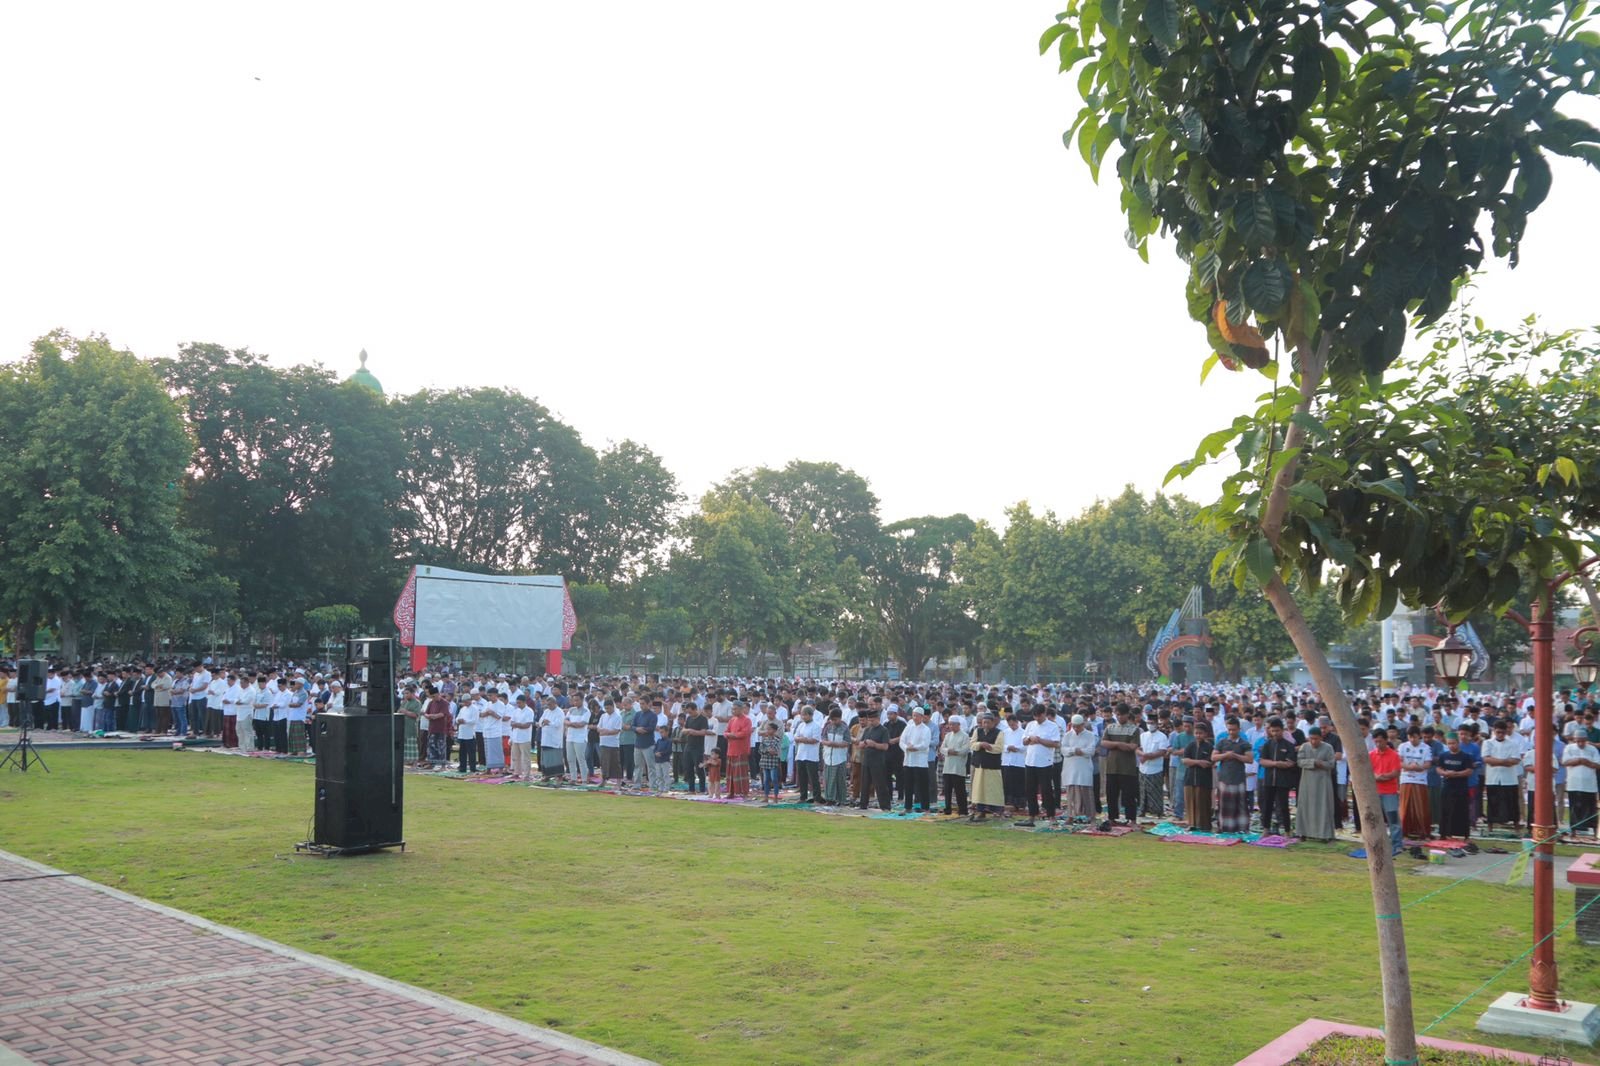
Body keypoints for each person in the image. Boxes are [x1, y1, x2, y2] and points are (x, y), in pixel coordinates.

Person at [1256, 718, 1298, 835]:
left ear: (1282, 730)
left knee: (1284, 806)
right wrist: (1276, 763)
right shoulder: (1267, 745)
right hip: (1269, 779)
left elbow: (1290, 763)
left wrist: (1275, 764)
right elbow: (1262, 761)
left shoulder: (1289, 745)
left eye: (1277, 731)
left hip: (1283, 780)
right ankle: (1266, 829)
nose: (1275, 733)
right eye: (1273, 731)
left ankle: (1287, 830)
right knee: (1267, 805)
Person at [1294, 726, 1337, 842]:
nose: (1313, 741)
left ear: (1321, 738)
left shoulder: (1328, 748)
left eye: (1316, 739)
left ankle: (1324, 834)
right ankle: (1303, 832)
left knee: (1323, 807)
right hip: (1307, 783)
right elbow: (1299, 761)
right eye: (1311, 739)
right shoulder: (1304, 747)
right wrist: (1313, 762)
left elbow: (1331, 764)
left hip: (1323, 783)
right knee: (1305, 806)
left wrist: (1321, 764)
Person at [1212, 717, 1253, 833]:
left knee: (1240, 804)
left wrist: (1235, 756)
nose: (1231, 732)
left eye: (1234, 730)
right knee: (1224, 804)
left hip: (1238, 777)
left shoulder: (1244, 744)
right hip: (1224, 777)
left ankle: (1241, 827)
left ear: (1239, 729)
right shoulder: (1222, 742)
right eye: (1229, 730)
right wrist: (1225, 756)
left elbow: (1249, 759)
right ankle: (1224, 827)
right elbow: (1213, 757)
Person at [1101, 706, 1141, 825]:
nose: (1119, 717)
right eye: (1117, 715)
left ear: (1127, 715)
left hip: (1127, 768)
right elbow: (1103, 743)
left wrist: (1114, 745)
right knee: (1111, 794)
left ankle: (1132, 819)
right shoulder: (1110, 727)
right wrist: (1120, 744)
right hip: (1112, 767)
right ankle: (1112, 818)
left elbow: (1132, 747)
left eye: (1121, 715)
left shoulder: (1134, 729)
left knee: (1129, 795)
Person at [1481, 722, 1522, 831]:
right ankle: (1490, 825)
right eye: (1498, 732)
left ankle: (1516, 824)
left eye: (1502, 733)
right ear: (1494, 731)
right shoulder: (1487, 743)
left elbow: (1516, 760)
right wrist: (1504, 761)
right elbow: (1486, 759)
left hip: (1509, 778)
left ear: (1506, 732)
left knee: (1512, 802)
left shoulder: (1513, 744)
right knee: (1492, 802)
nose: (1500, 735)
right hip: (1492, 778)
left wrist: (1496, 762)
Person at [1369, 731, 1404, 855]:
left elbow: (1395, 773)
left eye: (1380, 741)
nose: (1378, 744)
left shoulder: (1394, 755)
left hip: (1390, 792)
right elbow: (1368, 772)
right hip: (1375, 792)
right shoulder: (1371, 755)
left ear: (1385, 740)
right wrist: (1379, 777)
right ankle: (1377, 843)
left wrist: (1380, 777)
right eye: (1376, 741)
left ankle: (1397, 845)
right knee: (1375, 819)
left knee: (1393, 819)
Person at [1397, 726, 1434, 840]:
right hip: (1406, 779)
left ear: (1419, 736)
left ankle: (1423, 831)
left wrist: (1419, 767)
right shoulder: (1403, 746)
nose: (1412, 739)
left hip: (1420, 779)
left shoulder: (1426, 748)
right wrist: (1408, 767)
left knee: (1421, 806)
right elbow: (1398, 762)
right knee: (1405, 806)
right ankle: (1405, 831)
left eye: (1415, 737)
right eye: (1410, 737)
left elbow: (1428, 764)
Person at [1436, 732, 1474, 839]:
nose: (1451, 746)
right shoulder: (1443, 756)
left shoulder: (1466, 756)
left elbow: (1469, 771)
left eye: (1453, 743)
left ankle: (1464, 834)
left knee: (1462, 811)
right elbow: (1438, 768)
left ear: (1458, 743)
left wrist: (1456, 774)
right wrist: (1445, 773)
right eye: (1449, 744)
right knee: (1445, 810)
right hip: (1447, 787)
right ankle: (1444, 833)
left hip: (1461, 788)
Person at [1060, 714, 1097, 821]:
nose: (1076, 729)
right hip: (1070, 768)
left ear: (1083, 725)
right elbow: (1063, 750)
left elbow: (1091, 751)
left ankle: (1090, 816)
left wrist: (1080, 751)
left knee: (1085, 791)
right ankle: (1071, 815)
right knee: (1071, 791)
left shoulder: (1090, 735)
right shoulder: (1067, 735)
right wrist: (1074, 750)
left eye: (1078, 726)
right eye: (1074, 726)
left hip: (1084, 768)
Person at [1563, 733, 1599, 840]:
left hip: (1589, 785)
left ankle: (1594, 832)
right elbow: (1565, 762)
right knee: (1575, 808)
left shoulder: (1592, 749)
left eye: (1582, 741)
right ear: (1574, 740)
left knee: (1591, 808)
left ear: (1586, 740)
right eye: (1578, 741)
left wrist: (1585, 762)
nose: (1580, 743)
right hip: (1574, 784)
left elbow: (1597, 764)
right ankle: (1573, 831)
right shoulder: (1569, 748)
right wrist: (1579, 761)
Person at [856, 709, 893, 811]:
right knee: (864, 784)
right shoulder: (868, 730)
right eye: (870, 720)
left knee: (880, 784)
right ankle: (863, 805)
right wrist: (863, 744)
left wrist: (874, 744)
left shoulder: (883, 730)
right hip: (866, 760)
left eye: (873, 720)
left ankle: (885, 806)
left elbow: (885, 746)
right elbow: (860, 743)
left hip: (878, 762)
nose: (871, 722)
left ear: (878, 719)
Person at [1181, 723, 1215, 831]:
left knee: (1203, 802)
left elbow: (1209, 763)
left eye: (1200, 733)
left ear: (1205, 734)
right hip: (1190, 778)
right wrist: (1198, 762)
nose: (1198, 735)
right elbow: (1184, 760)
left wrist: (1195, 762)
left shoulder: (1209, 747)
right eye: (1196, 733)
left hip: (1204, 779)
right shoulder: (1190, 745)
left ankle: (1204, 826)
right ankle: (1192, 824)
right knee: (1190, 801)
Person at [898, 707, 933, 813]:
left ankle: (925, 807)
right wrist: (907, 748)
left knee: (922, 785)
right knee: (908, 785)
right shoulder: (909, 727)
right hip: (908, 760)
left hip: (920, 761)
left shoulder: (926, 729)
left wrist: (915, 747)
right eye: (913, 715)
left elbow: (925, 744)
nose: (915, 718)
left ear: (922, 717)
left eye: (917, 716)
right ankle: (907, 807)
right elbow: (901, 741)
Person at [1136, 718, 1170, 821]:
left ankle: (1158, 811)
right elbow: (1137, 748)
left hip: (1155, 768)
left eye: (1152, 723)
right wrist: (1143, 755)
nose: (1150, 725)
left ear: (1156, 724)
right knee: (1143, 790)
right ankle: (1142, 810)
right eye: (1148, 723)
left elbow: (1162, 751)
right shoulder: (1142, 735)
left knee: (1155, 791)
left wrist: (1149, 756)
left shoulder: (1162, 736)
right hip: (1143, 767)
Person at [939, 717, 971, 816]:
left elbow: (966, 750)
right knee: (947, 790)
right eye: (950, 724)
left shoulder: (965, 736)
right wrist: (948, 751)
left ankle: (963, 810)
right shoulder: (948, 735)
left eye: (953, 724)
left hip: (958, 767)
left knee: (960, 791)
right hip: (948, 766)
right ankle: (947, 809)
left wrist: (955, 751)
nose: (951, 726)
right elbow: (942, 748)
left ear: (958, 725)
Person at [820, 707, 851, 805]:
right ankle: (830, 799)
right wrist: (828, 743)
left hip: (840, 758)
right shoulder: (828, 726)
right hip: (828, 757)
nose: (833, 721)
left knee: (840, 780)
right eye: (831, 719)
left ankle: (841, 799)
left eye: (835, 719)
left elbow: (847, 742)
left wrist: (835, 744)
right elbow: (823, 739)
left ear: (840, 718)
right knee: (829, 779)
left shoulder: (845, 728)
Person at [791, 705, 821, 803]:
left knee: (813, 778)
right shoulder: (801, 725)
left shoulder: (816, 726)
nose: (803, 717)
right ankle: (802, 797)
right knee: (802, 777)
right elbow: (795, 737)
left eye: (805, 715)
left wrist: (804, 739)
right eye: (802, 715)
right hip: (801, 754)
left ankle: (817, 798)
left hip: (811, 755)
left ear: (811, 715)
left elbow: (815, 740)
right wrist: (802, 739)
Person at [725, 703, 753, 798]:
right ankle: (730, 792)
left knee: (741, 773)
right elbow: (726, 732)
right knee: (731, 773)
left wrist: (733, 735)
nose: (733, 711)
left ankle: (743, 792)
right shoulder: (732, 720)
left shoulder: (747, 720)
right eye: (732, 709)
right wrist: (731, 735)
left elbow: (745, 733)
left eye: (735, 709)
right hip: (731, 750)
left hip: (741, 750)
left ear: (741, 709)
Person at [565, 699, 592, 783]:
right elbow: (565, 721)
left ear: (581, 700)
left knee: (581, 759)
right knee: (570, 758)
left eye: (577, 700)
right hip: (570, 737)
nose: (575, 702)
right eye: (574, 700)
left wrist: (571, 724)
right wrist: (573, 724)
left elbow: (582, 724)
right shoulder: (571, 710)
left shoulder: (586, 711)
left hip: (580, 738)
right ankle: (573, 778)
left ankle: (584, 779)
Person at [758, 721, 783, 802]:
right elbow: (760, 750)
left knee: (774, 779)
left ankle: (775, 797)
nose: (767, 731)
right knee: (766, 780)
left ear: (774, 730)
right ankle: (766, 797)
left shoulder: (777, 740)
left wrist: (767, 750)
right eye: (767, 729)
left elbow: (775, 751)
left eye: (769, 729)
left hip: (773, 762)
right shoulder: (764, 739)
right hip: (765, 762)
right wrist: (768, 750)